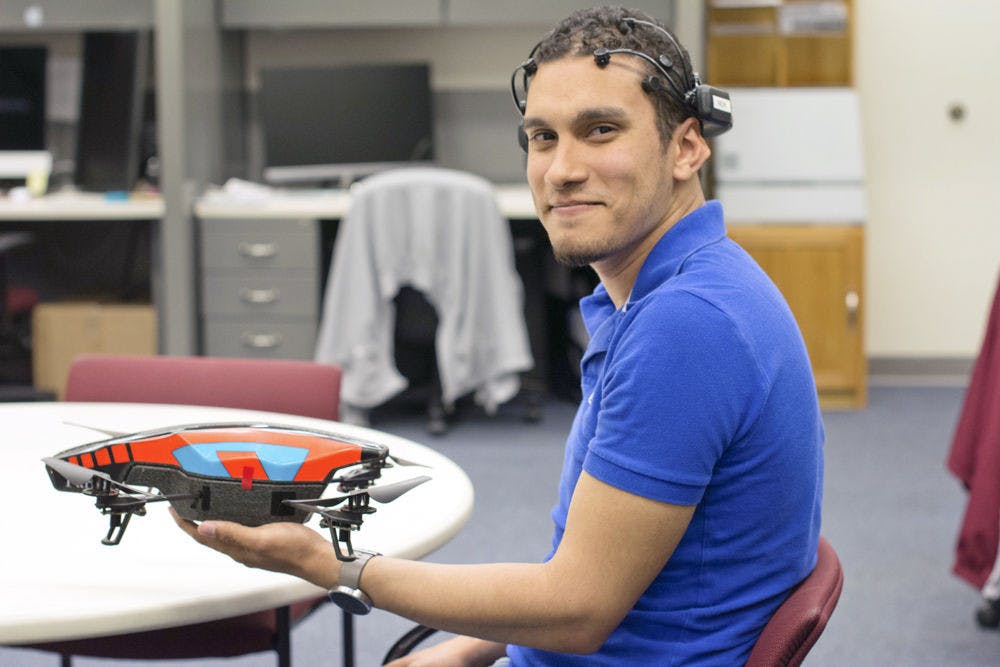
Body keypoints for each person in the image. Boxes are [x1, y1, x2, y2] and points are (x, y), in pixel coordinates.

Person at [174, 6, 824, 665]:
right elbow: (613, 560)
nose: (560, 169)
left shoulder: (686, 326)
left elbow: (578, 606)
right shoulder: (675, 289)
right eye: (542, 138)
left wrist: (334, 563)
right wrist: (465, 651)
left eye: (600, 131)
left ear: (686, 147)